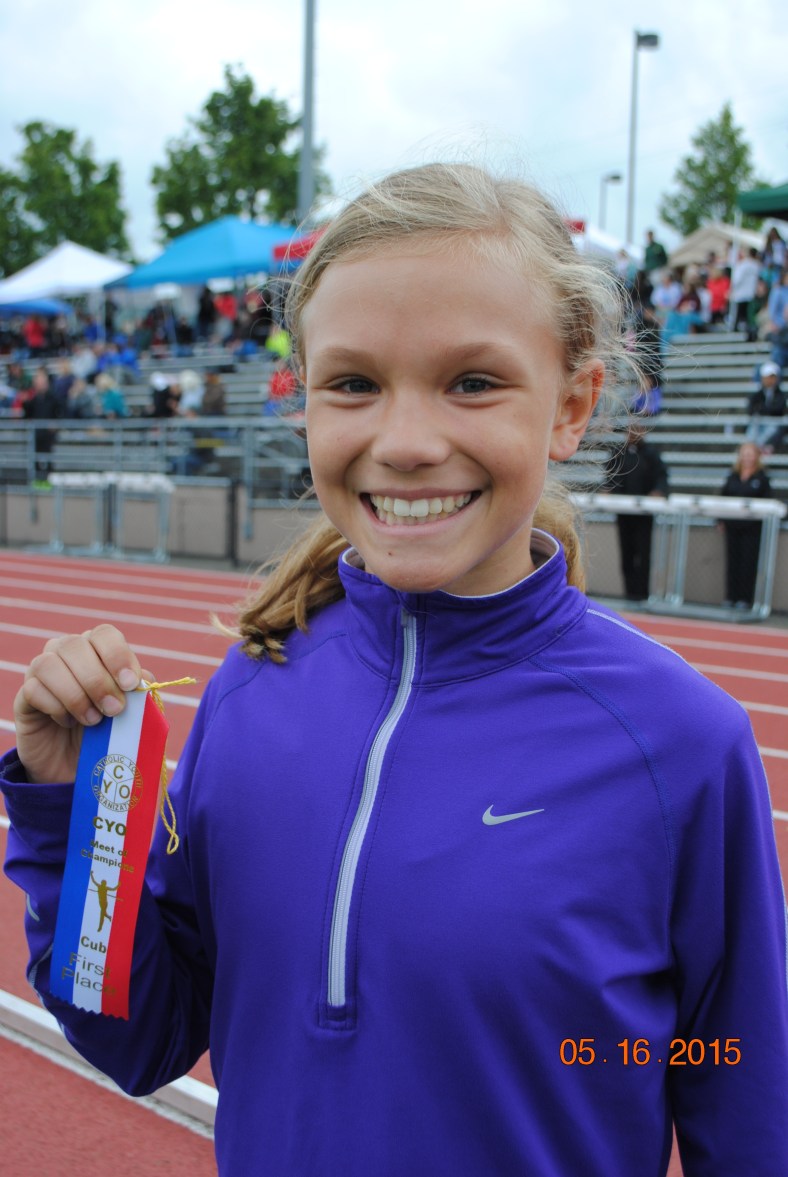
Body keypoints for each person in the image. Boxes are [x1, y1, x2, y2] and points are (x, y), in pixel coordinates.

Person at [2, 163, 787, 1177]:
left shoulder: (681, 743)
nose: (406, 442)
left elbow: (735, 1084)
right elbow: (141, 1036)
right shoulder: (250, 690)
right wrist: (72, 814)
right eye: (354, 384)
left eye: (472, 382)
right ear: (303, 401)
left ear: (572, 404)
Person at [603, 421, 669, 600]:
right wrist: (609, 490)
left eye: (638, 430)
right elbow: (610, 477)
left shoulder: (651, 454)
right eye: (631, 430)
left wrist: (658, 491)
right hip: (624, 513)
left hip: (644, 515)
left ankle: (642, 595)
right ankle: (629, 593)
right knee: (627, 554)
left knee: (643, 554)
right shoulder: (618, 453)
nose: (633, 433)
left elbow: (661, 477)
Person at [720, 442, 773, 607]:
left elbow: (767, 501)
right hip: (733, 525)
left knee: (747, 563)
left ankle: (744, 599)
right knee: (732, 562)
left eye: (750, 454)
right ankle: (731, 597)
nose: (747, 457)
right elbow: (723, 497)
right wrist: (721, 520)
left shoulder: (762, 477)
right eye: (744, 454)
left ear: (756, 457)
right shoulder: (733, 476)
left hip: (752, 528)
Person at [745, 361, 785, 452]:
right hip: (759, 422)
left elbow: (779, 409)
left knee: (771, 429)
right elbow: (751, 410)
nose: (769, 380)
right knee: (753, 428)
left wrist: (762, 409)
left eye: (772, 377)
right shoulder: (757, 395)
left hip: (773, 423)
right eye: (767, 377)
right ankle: (752, 449)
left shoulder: (781, 395)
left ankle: (755, 450)